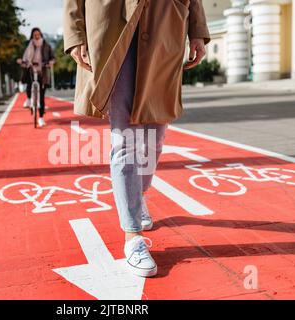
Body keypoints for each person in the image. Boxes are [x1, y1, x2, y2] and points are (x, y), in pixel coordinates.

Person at [63, 0, 210, 277]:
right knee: (126, 138)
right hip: (112, 30)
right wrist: (75, 35)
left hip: (164, 26)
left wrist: (198, 32)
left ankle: (137, 195)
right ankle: (133, 236)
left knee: (155, 137)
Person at [17, 27, 55, 128]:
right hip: (31, 69)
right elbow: (25, 57)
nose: (36, 36)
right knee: (29, 85)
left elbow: (53, 57)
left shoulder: (46, 45)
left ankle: (41, 118)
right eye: (34, 35)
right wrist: (22, 61)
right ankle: (29, 99)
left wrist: (51, 62)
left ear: (41, 35)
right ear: (32, 36)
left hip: (42, 71)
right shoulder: (29, 45)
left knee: (41, 96)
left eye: (38, 34)